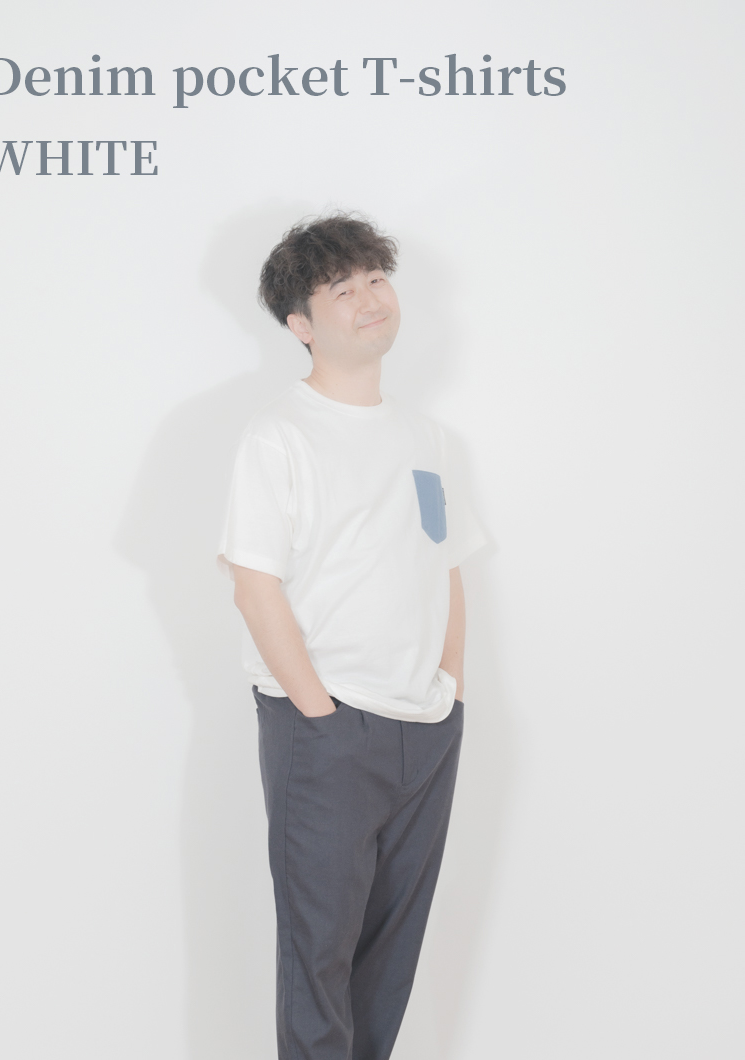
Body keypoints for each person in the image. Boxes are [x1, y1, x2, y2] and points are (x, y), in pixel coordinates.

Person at [216, 212, 485, 1060]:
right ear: (300, 324)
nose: (370, 299)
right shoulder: (279, 436)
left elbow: (444, 563)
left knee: (387, 962)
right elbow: (253, 583)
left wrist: (449, 692)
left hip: (424, 727)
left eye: (375, 279)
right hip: (327, 730)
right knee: (319, 958)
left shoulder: (426, 439)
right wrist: (318, 713)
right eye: (343, 289)